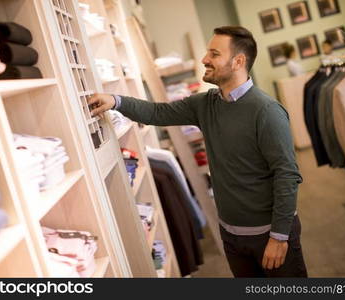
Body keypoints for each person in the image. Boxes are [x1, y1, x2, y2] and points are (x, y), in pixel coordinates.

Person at [88, 26, 307, 278]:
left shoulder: (266, 111)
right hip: (231, 235)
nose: (205, 59)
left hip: (269, 234)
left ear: (238, 61)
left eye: (214, 54)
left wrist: (279, 237)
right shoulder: (205, 104)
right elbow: (157, 113)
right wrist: (116, 101)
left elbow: (287, 175)